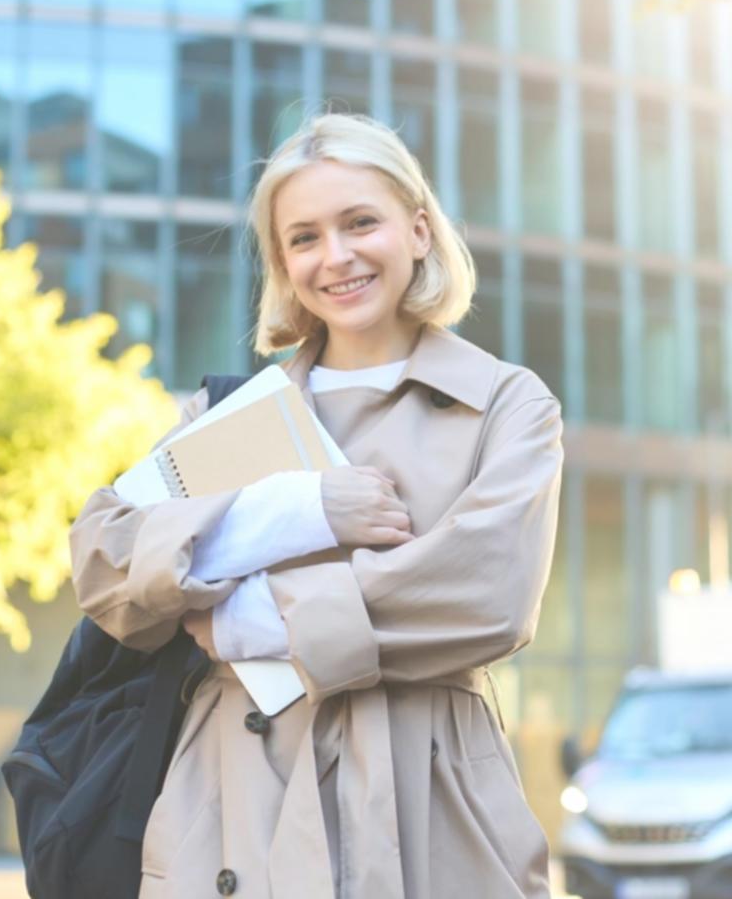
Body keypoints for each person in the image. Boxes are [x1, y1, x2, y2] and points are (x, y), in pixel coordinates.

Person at [71, 112, 564, 897]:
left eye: (359, 222)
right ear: (280, 262)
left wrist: (247, 617)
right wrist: (295, 511)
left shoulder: (501, 403)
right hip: (230, 799)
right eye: (302, 237)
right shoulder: (234, 413)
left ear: (418, 228)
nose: (334, 256)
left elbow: (488, 595)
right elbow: (103, 563)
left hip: (429, 798)